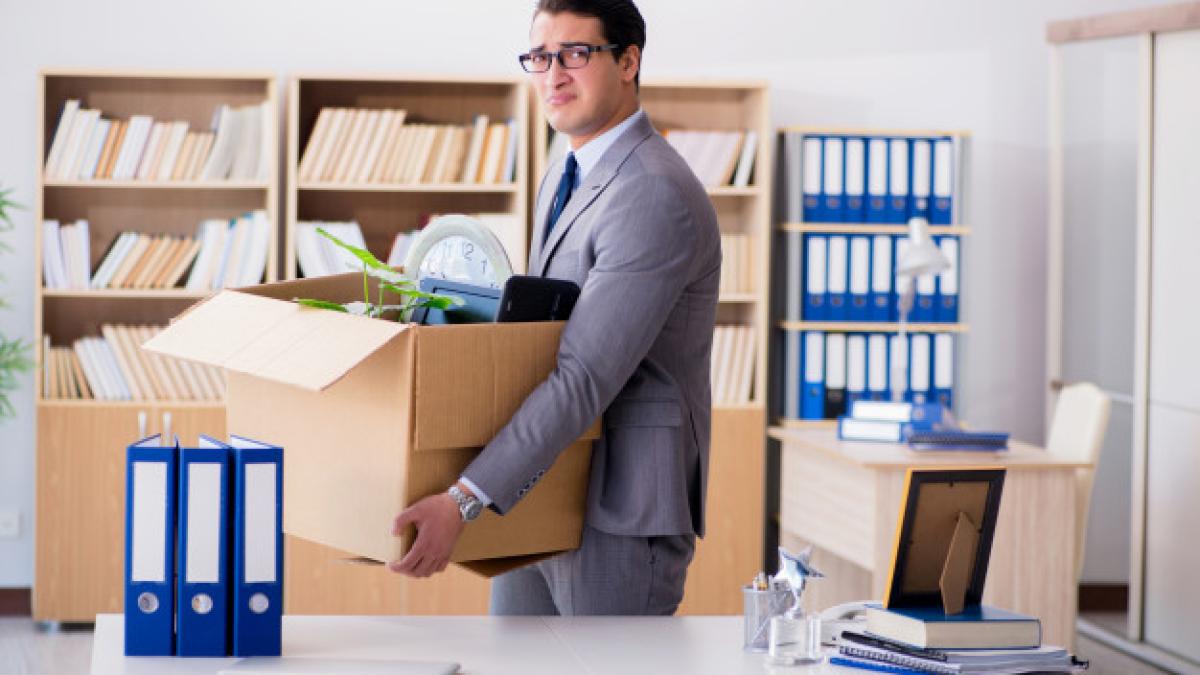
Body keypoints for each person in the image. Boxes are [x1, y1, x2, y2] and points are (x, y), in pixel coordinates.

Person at [389, 0, 721, 616]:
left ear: (628, 62)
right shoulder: (563, 169)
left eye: (575, 54)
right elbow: (541, 334)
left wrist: (463, 499)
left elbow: (583, 374)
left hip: (620, 507)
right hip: (543, 486)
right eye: (539, 57)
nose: (553, 75)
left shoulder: (650, 191)